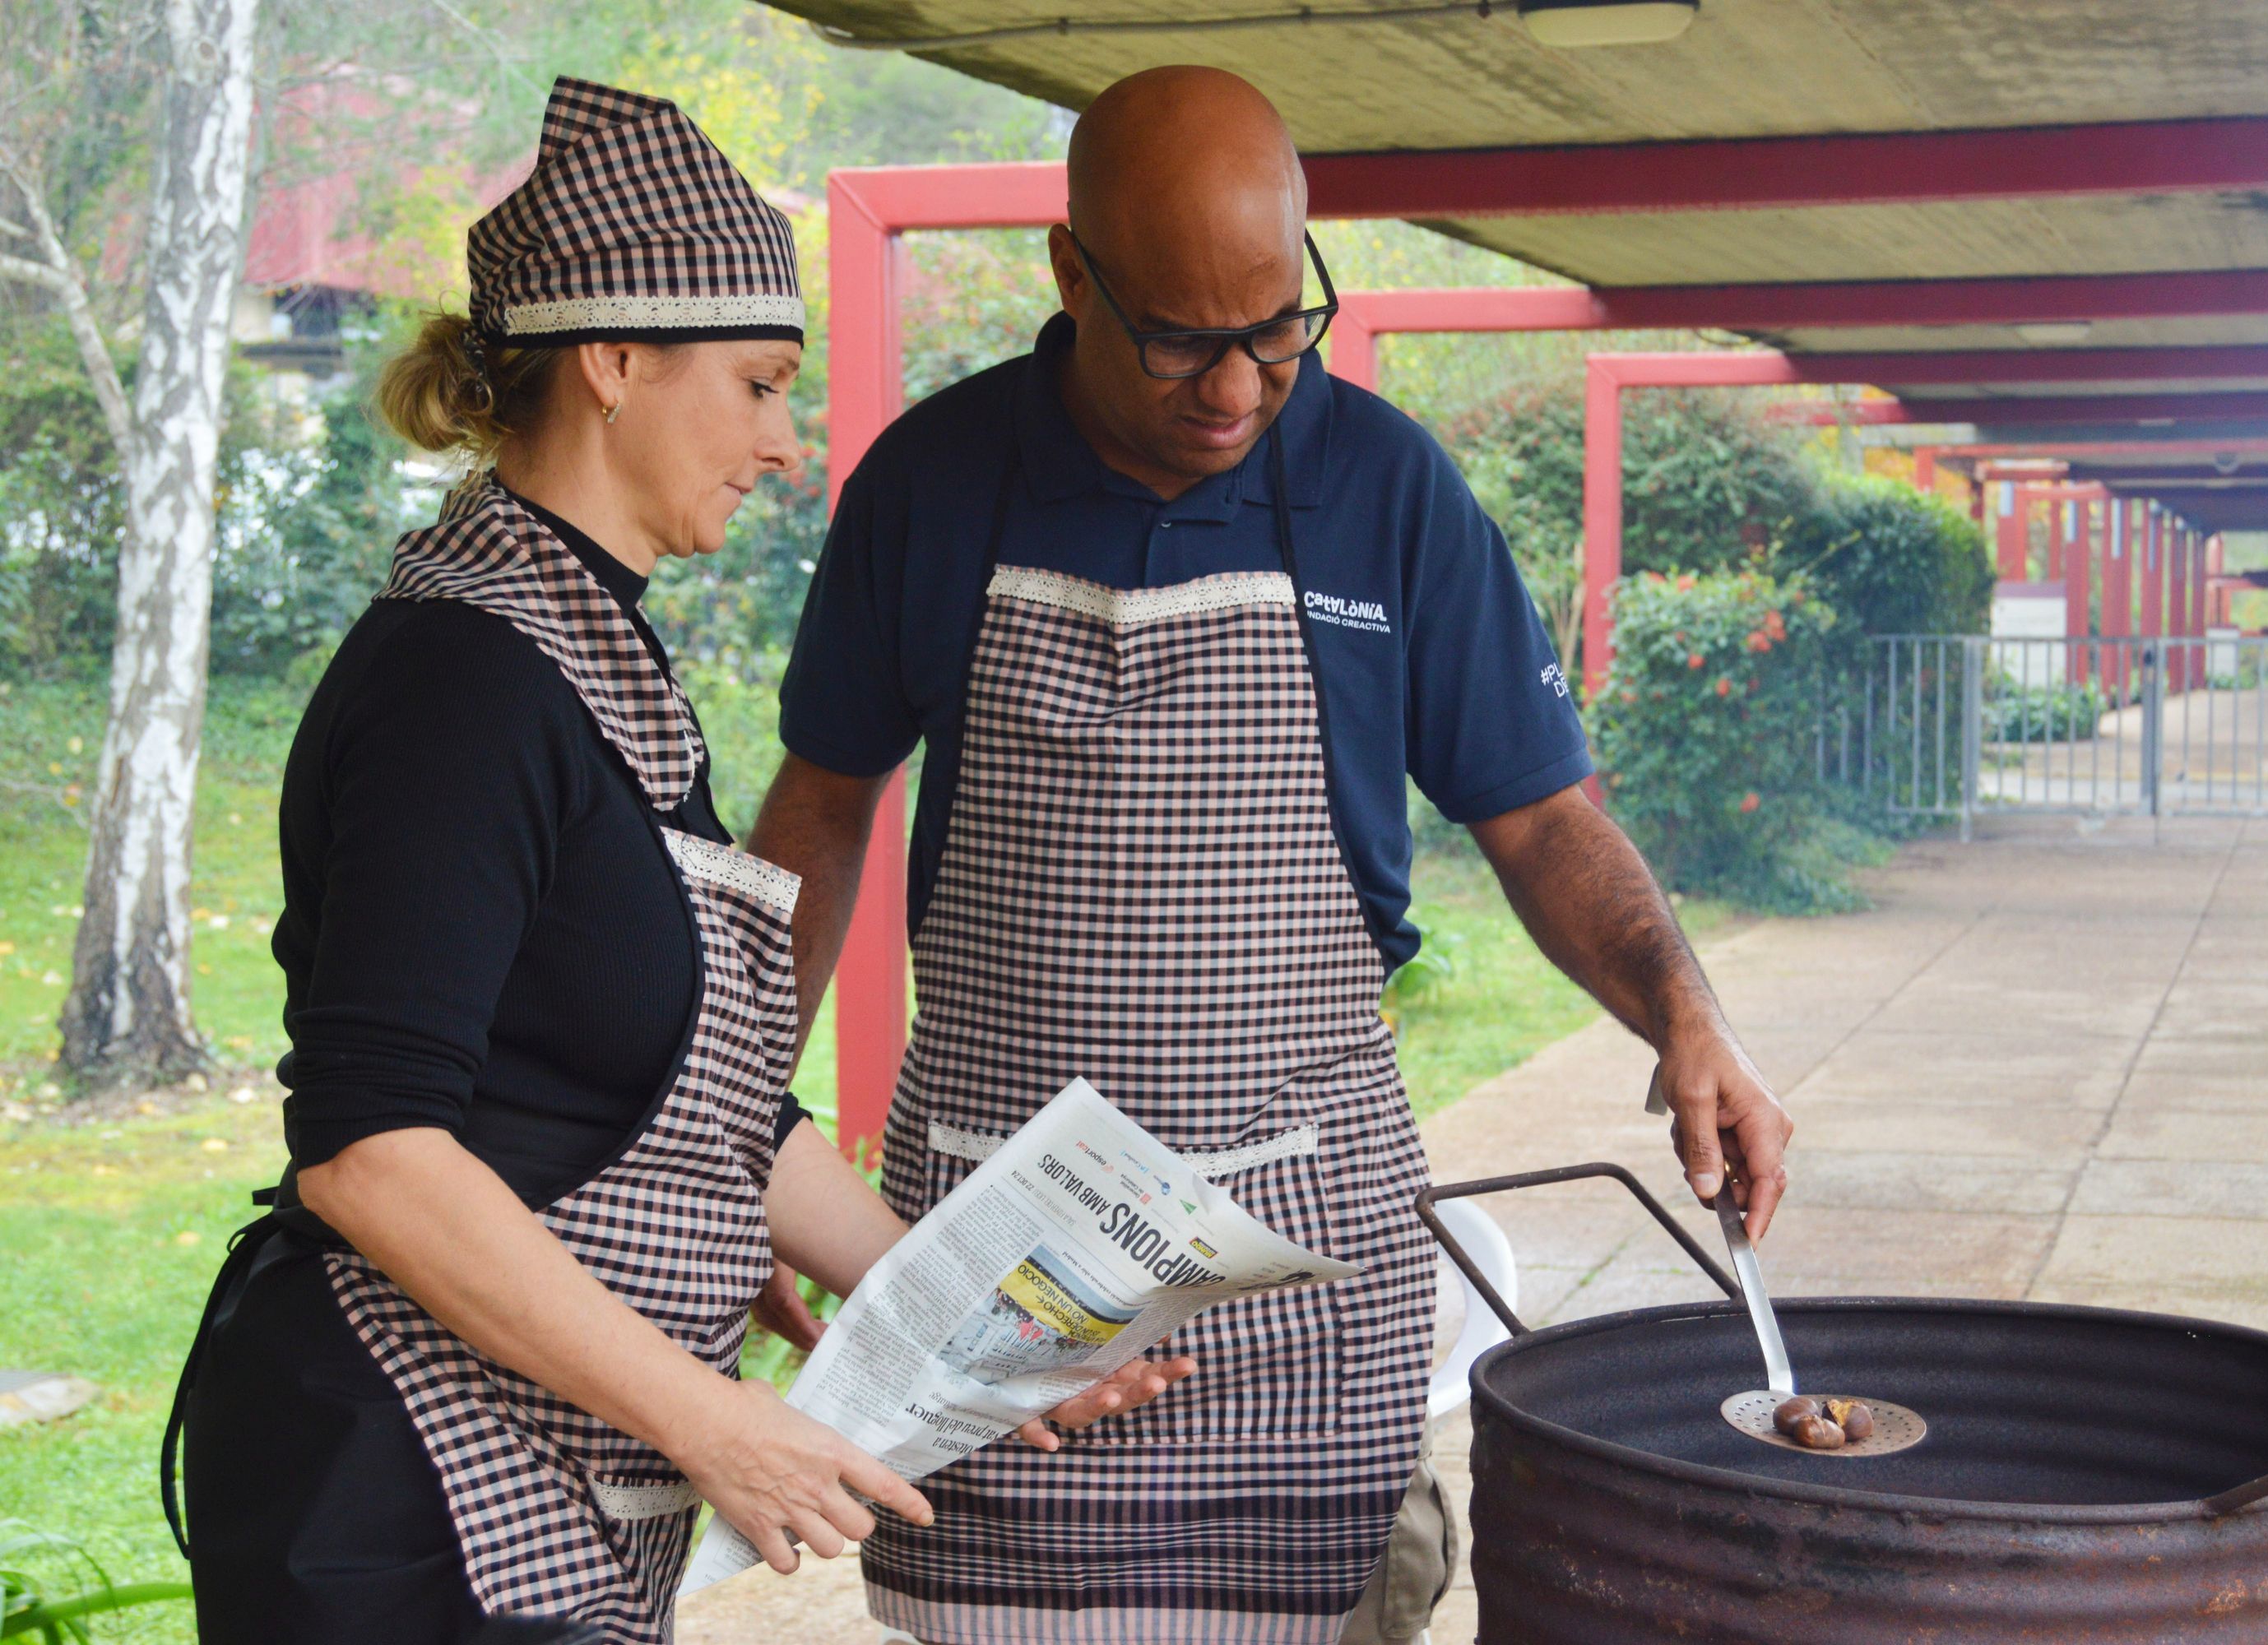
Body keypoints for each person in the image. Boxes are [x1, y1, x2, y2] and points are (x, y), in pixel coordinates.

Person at [749, 64, 1795, 1645]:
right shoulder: (935, 487)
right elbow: (823, 805)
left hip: (1308, 1274)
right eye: (1180, 339)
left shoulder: (1387, 492)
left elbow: (1539, 816)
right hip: (1010, 1273)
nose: (1236, 389)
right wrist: (748, 1125)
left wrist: (1685, 1015)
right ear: (1069, 273)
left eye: (1274, 328)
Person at [160, 78, 1183, 1645]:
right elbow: (375, 1151)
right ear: (617, 362)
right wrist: (712, 1420)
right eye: (763, 386)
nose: (787, 446)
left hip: (546, 1472)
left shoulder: (593, 662)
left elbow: (706, 1103)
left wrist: (983, 1332)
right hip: (398, 1486)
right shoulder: (463, 682)